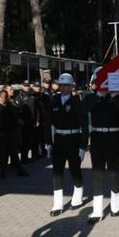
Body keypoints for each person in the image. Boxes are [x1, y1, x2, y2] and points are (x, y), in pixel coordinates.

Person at [45, 73, 88, 216]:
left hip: (74, 139)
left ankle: (78, 197)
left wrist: (83, 147)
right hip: (58, 140)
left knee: (75, 170)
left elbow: (85, 126)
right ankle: (57, 204)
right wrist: (48, 143)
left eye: (66, 85)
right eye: (61, 85)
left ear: (71, 87)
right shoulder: (54, 101)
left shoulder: (78, 102)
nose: (63, 88)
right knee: (57, 172)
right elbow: (48, 123)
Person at [82, 68, 119, 223]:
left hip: (114, 137)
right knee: (97, 174)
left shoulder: (117, 97)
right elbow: (83, 110)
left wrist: (115, 97)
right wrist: (98, 95)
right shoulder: (92, 98)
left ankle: (115, 204)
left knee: (112, 172)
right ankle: (97, 211)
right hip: (97, 138)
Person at [0, 89, 28, 178]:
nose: (5, 99)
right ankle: (3, 170)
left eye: (6, 97)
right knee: (2, 154)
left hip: (11, 132)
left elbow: (15, 117)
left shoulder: (10, 106)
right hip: (1, 134)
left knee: (14, 152)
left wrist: (18, 122)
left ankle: (18, 169)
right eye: (3, 97)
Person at [16, 80, 40, 162]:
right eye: (25, 85)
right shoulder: (19, 96)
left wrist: (37, 119)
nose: (27, 87)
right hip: (24, 123)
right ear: (22, 86)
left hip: (32, 121)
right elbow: (17, 110)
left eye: (28, 85)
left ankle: (33, 155)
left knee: (31, 139)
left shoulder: (32, 95)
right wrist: (20, 121)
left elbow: (36, 109)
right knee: (24, 141)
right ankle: (24, 158)